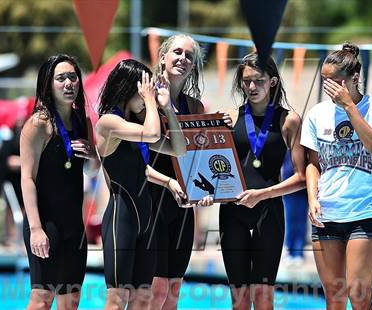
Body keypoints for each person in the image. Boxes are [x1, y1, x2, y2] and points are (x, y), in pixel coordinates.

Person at [96, 59, 210, 309]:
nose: (150, 92)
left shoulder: (135, 125)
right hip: (121, 217)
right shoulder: (108, 123)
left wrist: (168, 108)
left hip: (145, 220)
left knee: (143, 299)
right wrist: (150, 101)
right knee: (117, 299)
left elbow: (179, 150)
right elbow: (152, 134)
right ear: (130, 88)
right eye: (145, 87)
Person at [301, 42, 372, 309]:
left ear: (353, 79)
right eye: (324, 81)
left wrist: (349, 107)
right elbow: (313, 164)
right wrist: (312, 198)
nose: (327, 87)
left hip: (363, 212)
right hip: (326, 216)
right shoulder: (317, 114)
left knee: (358, 295)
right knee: (334, 296)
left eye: (334, 81)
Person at [220, 52, 306, 309]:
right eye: (246, 81)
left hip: (268, 212)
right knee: (239, 300)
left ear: (273, 82)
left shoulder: (288, 120)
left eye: (258, 80)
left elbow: (301, 178)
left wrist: (262, 194)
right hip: (232, 212)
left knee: (263, 299)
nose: (252, 87)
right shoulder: (229, 117)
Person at [20, 54, 100, 310]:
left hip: (74, 225)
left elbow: (92, 171)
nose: (69, 83)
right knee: (42, 300)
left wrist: (93, 155)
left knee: (71, 302)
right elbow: (27, 179)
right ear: (48, 84)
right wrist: (35, 229)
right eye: (61, 78)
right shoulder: (38, 124)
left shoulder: (83, 122)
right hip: (45, 223)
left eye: (73, 77)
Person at [149, 34, 207, 310]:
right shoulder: (144, 98)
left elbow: (197, 160)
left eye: (189, 56)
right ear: (163, 57)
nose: (183, 58)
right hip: (151, 202)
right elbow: (134, 160)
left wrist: (205, 191)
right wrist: (169, 182)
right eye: (177, 52)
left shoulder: (194, 107)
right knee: (154, 291)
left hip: (182, 206)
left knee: (173, 292)